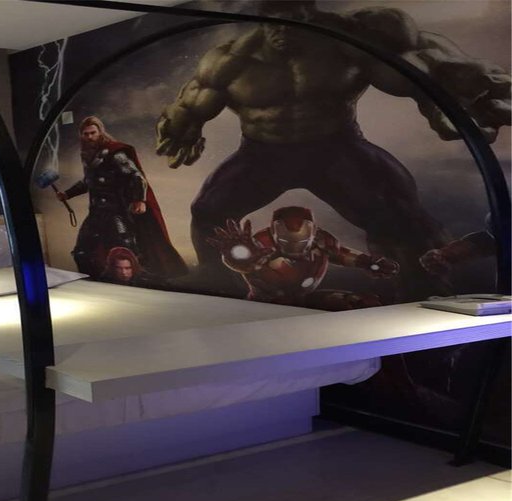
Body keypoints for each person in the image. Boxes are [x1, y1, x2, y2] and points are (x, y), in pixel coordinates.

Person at [156, 0, 510, 299]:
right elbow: (190, 105)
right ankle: (218, 286)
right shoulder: (231, 60)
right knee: (208, 212)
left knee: (403, 217)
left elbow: (426, 71)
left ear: (310, 14)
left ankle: (426, 292)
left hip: (336, 148)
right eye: (274, 22)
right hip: (264, 154)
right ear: (261, 19)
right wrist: (183, 128)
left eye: (294, 20)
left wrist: (453, 102)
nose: (283, 32)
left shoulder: (353, 39)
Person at [57, 116, 187, 279]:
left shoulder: (115, 153)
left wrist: (139, 199)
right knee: (82, 251)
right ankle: (95, 281)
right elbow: (89, 181)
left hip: (117, 212)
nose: (89, 137)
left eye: (93, 133)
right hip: (96, 213)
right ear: (81, 135)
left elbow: (136, 176)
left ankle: (138, 281)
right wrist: (67, 194)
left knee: (127, 250)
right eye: (86, 134)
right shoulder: (88, 155)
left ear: (100, 132)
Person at [206, 207, 399, 310]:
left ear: (312, 233)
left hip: (305, 298)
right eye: (286, 241)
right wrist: (239, 257)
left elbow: (340, 254)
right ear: (274, 234)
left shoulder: (322, 240)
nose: (295, 248)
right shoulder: (259, 245)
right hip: (268, 303)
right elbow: (244, 263)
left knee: (358, 303)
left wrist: (368, 262)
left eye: (303, 241)